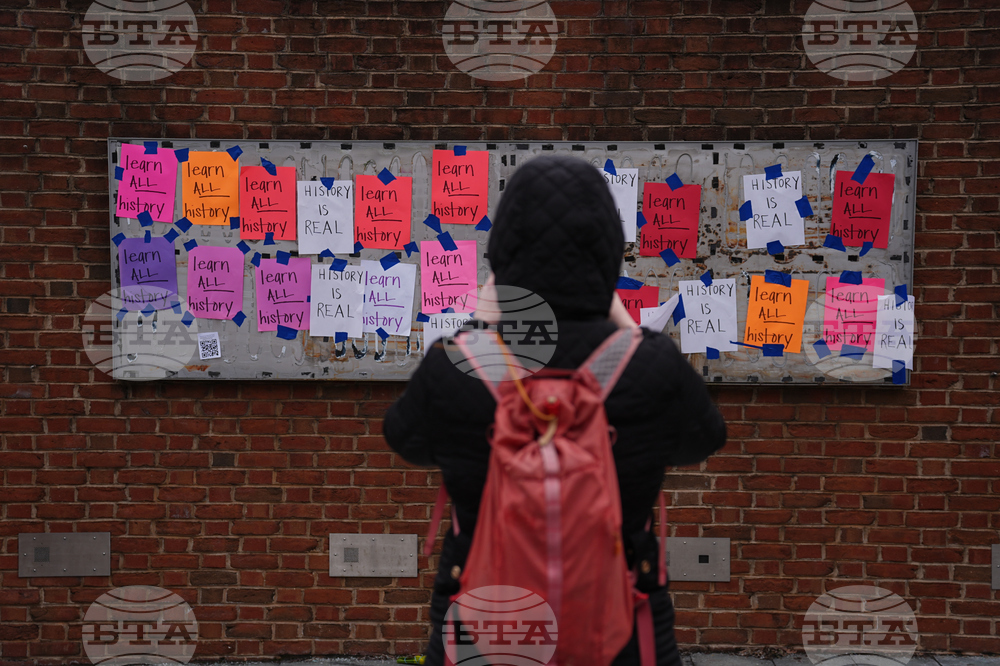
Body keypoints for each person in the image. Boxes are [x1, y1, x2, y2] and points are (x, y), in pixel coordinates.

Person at [383, 155, 727, 666]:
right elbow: (704, 438)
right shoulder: (651, 364)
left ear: (503, 252)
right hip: (622, 627)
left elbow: (404, 439)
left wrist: (481, 322)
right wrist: (626, 327)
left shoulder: (457, 363)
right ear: (609, 248)